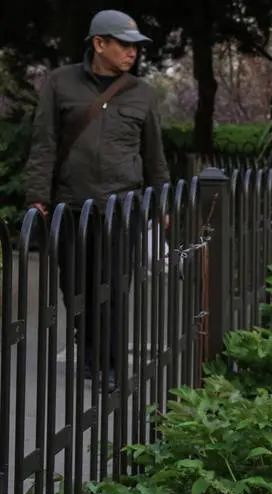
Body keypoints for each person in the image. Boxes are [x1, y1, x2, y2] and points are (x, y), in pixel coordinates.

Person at [23, 9, 170, 388]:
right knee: (75, 286)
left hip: (123, 207)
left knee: (113, 287)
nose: (133, 53)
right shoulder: (60, 83)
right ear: (99, 43)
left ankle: (110, 363)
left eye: (136, 46)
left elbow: (155, 154)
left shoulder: (142, 93)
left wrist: (163, 204)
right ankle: (88, 348)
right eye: (124, 44)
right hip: (72, 205)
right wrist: (37, 197)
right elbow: (45, 144)